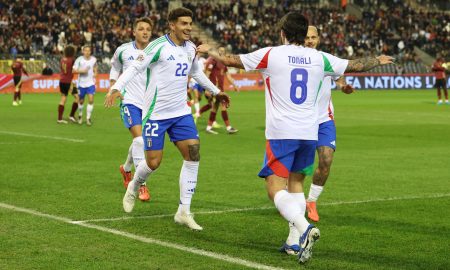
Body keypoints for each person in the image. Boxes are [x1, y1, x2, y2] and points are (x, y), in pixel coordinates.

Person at [197, 11, 393, 263]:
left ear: (283, 33)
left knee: (274, 187)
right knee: (296, 184)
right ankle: (293, 242)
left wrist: (209, 49)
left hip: (282, 132)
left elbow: (229, 59)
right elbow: (355, 65)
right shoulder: (319, 57)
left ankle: (305, 228)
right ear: (304, 35)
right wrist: (377, 59)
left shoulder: (272, 54)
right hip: (309, 132)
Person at [106, 7, 230, 231]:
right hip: (156, 114)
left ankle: (184, 210)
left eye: (190, 24)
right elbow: (134, 67)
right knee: (153, 162)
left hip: (181, 113)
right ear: (172, 25)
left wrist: (215, 90)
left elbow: (196, 73)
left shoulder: (191, 48)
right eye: (183, 24)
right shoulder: (157, 46)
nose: (189, 28)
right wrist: (116, 87)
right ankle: (134, 185)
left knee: (193, 154)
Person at [303, 26, 355, 223]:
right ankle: (288, 198)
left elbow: (338, 75)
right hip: (301, 120)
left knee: (326, 160)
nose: (310, 41)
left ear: (319, 39)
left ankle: (312, 201)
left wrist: (342, 86)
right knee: (297, 166)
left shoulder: (325, 59)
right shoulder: (294, 59)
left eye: (313, 37)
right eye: (306, 37)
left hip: (324, 119)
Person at [105, 17, 154, 202]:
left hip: (150, 103)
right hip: (129, 101)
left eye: (148, 29)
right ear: (134, 31)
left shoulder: (155, 51)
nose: (145, 32)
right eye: (141, 28)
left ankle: (126, 169)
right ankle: (141, 185)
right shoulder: (123, 50)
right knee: (140, 140)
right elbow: (114, 69)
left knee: (141, 141)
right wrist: (114, 88)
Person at [204, 46, 239, 134]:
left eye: (223, 51)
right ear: (217, 52)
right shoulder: (213, 61)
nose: (221, 52)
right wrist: (207, 89)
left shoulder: (224, 63)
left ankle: (208, 127)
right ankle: (228, 127)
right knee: (223, 105)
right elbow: (207, 74)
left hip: (220, 89)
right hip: (214, 88)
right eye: (220, 51)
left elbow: (228, 76)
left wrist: (234, 85)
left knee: (215, 107)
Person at [73, 45, 97, 126]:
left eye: (88, 51)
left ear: (90, 51)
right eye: (85, 50)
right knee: (81, 101)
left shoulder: (94, 59)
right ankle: (80, 115)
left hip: (90, 83)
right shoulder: (79, 60)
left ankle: (88, 118)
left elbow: (95, 66)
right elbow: (73, 70)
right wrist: (82, 71)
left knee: (91, 100)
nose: (87, 52)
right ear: (83, 51)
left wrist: (95, 72)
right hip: (81, 84)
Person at [57, 45, 82, 124]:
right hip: (68, 82)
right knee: (77, 98)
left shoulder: (62, 60)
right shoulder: (72, 60)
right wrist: (84, 71)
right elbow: (74, 71)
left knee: (63, 98)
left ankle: (59, 119)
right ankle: (71, 115)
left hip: (61, 81)